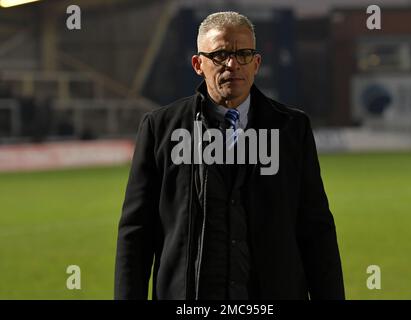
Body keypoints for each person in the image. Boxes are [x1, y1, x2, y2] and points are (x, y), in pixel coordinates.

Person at [114, 11, 344, 300]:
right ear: (198, 64)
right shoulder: (161, 128)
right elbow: (137, 232)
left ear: (257, 63)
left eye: (244, 54)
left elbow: (316, 229)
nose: (233, 64)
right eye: (220, 54)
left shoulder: (291, 128)